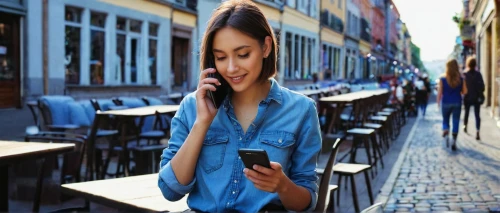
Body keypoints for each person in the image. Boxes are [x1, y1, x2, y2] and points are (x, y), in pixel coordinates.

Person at [157, 1, 321, 212]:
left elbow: (307, 203)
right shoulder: (192, 106)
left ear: (266, 47)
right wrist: (202, 123)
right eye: (221, 57)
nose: (232, 68)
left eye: (243, 54)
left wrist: (282, 185)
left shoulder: (301, 111)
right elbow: (170, 190)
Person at [437, 59, 467, 150]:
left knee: (445, 119)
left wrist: (438, 102)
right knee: (456, 121)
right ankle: (454, 139)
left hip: (446, 101)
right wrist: (458, 91)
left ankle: (445, 129)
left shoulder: (442, 79)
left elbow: (440, 92)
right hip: (457, 102)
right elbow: (465, 91)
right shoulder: (461, 79)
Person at [463, 56, 485, 140]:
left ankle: (465, 126)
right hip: (476, 97)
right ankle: (477, 131)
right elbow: (483, 87)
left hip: (467, 97)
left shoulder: (465, 74)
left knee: (466, 113)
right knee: (477, 115)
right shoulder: (478, 74)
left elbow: (462, 87)